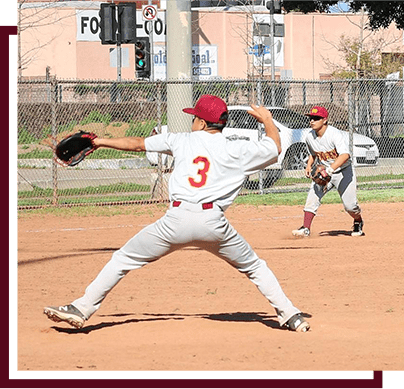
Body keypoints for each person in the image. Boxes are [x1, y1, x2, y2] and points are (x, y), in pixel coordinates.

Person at [44, 94, 310, 333]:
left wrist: (100, 141)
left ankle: (82, 308)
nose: (192, 121)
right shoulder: (236, 149)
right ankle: (291, 315)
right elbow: (275, 147)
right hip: (213, 223)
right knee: (254, 267)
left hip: (175, 222)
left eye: (195, 117)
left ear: (204, 123)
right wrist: (267, 119)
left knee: (122, 259)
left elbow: (138, 144)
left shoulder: (180, 140)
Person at [292, 106, 364, 237]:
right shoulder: (309, 137)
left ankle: (358, 221)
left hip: (344, 171)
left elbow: (345, 155)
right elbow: (313, 154)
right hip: (324, 172)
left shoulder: (334, 134)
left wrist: (330, 170)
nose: (312, 121)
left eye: (316, 118)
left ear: (324, 120)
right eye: (311, 118)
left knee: (350, 206)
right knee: (312, 198)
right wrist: (309, 166)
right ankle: (305, 228)